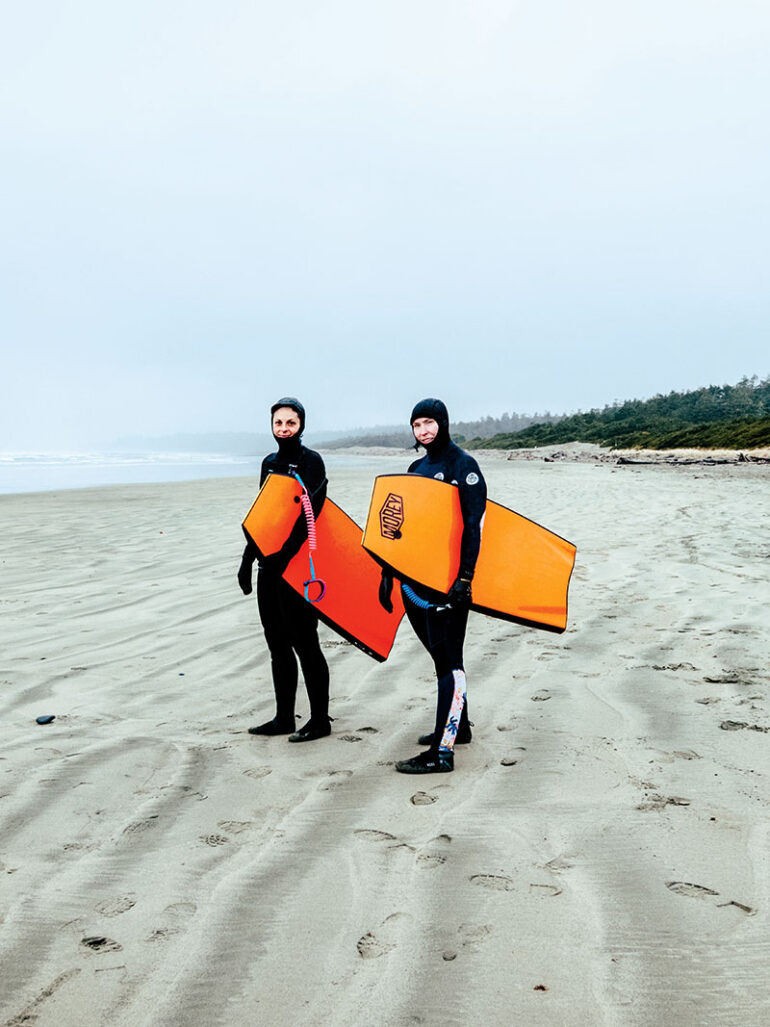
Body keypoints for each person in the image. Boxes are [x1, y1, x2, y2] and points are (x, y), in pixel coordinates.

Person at [379, 398, 487, 774]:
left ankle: (442, 752)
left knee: (448, 662)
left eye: (428, 423)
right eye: (417, 425)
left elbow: (473, 527)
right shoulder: (416, 467)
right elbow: (404, 531)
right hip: (416, 584)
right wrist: (388, 574)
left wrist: (465, 580)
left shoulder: (463, 466)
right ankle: (461, 728)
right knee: (440, 656)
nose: (423, 431)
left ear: (442, 423)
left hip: (449, 583)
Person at [237, 397, 331, 742]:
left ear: (301, 425)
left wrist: (285, 557)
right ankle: (284, 717)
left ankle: (320, 720)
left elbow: (312, 517)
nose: (284, 429)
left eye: (290, 423)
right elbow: (265, 515)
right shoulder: (269, 463)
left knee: (306, 642)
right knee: (276, 642)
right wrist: (248, 560)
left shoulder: (312, 463)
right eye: (278, 423)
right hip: (268, 567)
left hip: (299, 568)